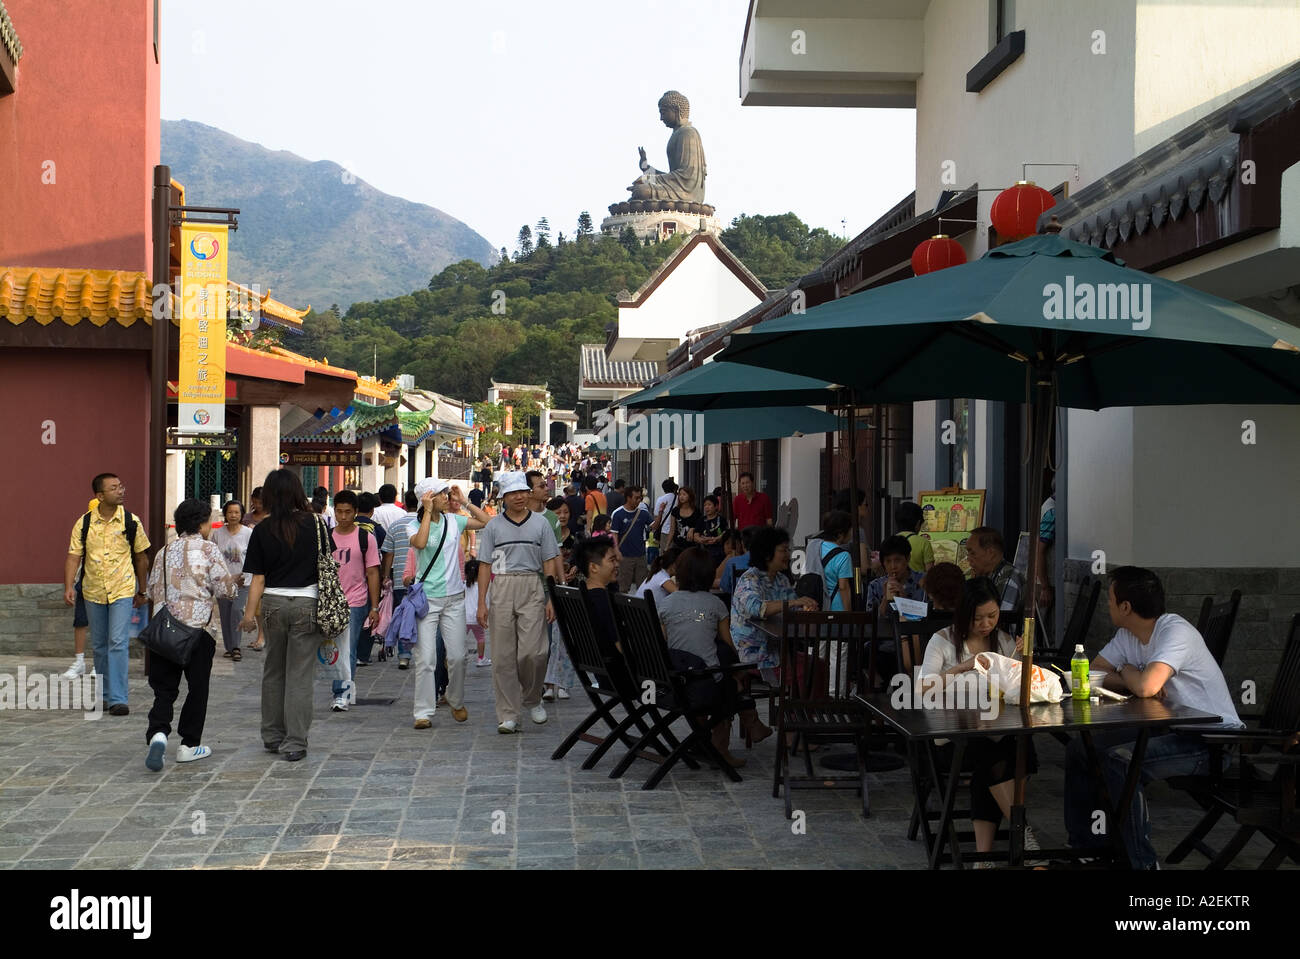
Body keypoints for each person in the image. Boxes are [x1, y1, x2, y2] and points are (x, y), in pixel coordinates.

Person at [1064, 566, 1243, 870]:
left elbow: (1147, 687)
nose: (1107, 606)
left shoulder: (1175, 631)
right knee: (1081, 748)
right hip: (1170, 728)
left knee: (1120, 762)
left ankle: (1142, 863)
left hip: (1210, 740)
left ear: (1126, 607)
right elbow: (1094, 672)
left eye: (1110, 599)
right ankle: (1088, 848)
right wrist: (1130, 676)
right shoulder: (1127, 635)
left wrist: (1133, 676)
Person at [919, 579, 1041, 861]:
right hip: (947, 738)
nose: (986, 624)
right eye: (978, 618)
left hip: (992, 729)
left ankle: (983, 857)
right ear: (963, 615)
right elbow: (922, 687)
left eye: (992, 616)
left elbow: (1018, 685)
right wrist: (961, 667)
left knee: (1011, 749)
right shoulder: (944, 641)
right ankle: (1022, 833)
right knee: (991, 755)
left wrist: (1023, 659)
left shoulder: (1004, 642)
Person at [240, 468, 336, 761]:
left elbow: (257, 578)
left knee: (273, 672)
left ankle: (272, 735)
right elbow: (328, 564)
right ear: (297, 491)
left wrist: (248, 615)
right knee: (299, 676)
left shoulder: (262, 529)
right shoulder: (316, 524)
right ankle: (295, 741)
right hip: (307, 604)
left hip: (272, 605)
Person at [143, 498, 237, 771]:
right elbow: (225, 590)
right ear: (201, 523)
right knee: (198, 688)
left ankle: (158, 734)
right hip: (199, 631)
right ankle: (188, 744)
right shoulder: (209, 549)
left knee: (164, 689)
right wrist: (234, 584)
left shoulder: (163, 551)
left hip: (165, 630)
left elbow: (152, 590)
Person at [659, 546, 771, 765]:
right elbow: (729, 644)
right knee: (729, 681)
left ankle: (710, 738)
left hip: (674, 684)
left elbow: (664, 644)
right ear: (709, 575)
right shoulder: (715, 604)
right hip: (704, 687)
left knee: (720, 674)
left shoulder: (666, 604)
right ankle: (726, 744)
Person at [476, 472, 562, 734]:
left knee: (534, 652)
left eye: (523, 491)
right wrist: (482, 602)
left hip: (532, 585)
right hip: (501, 585)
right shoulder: (493, 526)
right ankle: (508, 713)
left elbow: (549, 560)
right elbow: (484, 564)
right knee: (502, 656)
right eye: (513, 493)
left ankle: (533, 697)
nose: (519, 496)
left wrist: (551, 597)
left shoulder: (541, 524)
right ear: (503, 497)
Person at [64, 473, 151, 716]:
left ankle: (118, 698)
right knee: (100, 645)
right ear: (100, 496)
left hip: (122, 589)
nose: (121, 490)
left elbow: (142, 557)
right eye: (114, 488)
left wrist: (142, 590)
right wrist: (69, 586)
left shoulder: (131, 522)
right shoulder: (84, 523)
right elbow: (74, 556)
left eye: (120, 486)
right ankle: (103, 696)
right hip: (92, 591)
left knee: (117, 642)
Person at [409, 478, 490, 729]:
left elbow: (487, 523)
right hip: (427, 601)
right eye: (442, 494)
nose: (447, 497)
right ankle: (423, 712)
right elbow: (421, 543)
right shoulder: (413, 525)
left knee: (457, 657)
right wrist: (426, 513)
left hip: (454, 598)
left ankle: (455, 700)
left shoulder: (454, 521)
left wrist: (465, 501)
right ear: (427, 498)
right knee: (426, 658)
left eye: (447, 493)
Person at [730, 527, 818, 676]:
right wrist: (794, 603)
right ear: (766, 554)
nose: (788, 555)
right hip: (756, 653)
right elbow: (757, 608)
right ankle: (793, 699)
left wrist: (806, 609)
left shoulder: (781, 579)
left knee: (818, 666)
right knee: (801, 672)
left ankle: (805, 699)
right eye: (783, 550)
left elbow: (795, 609)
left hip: (780, 649)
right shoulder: (750, 579)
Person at [325, 490, 381, 712]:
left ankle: (343, 694)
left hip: (356, 601)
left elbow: (373, 573)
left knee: (348, 649)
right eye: (339, 511)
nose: (343, 516)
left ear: (356, 512)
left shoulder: (365, 538)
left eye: (348, 512)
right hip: (330, 601)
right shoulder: (327, 537)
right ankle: (340, 689)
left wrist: (374, 606)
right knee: (333, 649)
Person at [63, 494, 102, 680]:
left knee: (100, 625)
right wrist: (70, 585)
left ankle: (98, 663)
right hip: (85, 581)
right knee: (80, 621)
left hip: (107, 583)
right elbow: (74, 556)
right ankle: (79, 663)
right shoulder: (84, 527)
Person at [380, 489, 420, 667]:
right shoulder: (423, 524)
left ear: (404, 501)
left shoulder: (396, 526)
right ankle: (421, 652)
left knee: (404, 616)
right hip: (422, 579)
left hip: (400, 578)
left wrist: (386, 576)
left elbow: (388, 554)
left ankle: (404, 654)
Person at [212, 500, 253, 661]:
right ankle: (229, 647)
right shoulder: (218, 533)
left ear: (242, 514)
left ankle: (236, 646)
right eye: (230, 512)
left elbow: (253, 556)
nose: (233, 515)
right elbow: (213, 557)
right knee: (225, 613)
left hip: (243, 580)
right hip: (223, 581)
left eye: (237, 512)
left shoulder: (248, 533)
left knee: (237, 610)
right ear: (225, 514)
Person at [966, 526, 1026, 633]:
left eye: (972, 553)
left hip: (1010, 645)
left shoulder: (1009, 577)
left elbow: (997, 622)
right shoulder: (987, 576)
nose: (968, 559)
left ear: (991, 553)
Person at [610, 485, 652, 593]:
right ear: (628, 498)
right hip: (625, 556)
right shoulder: (618, 514)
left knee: (643, 588)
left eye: (640, 498)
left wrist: (661, 512)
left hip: (641, 555)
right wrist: (616, 551)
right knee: (623, 587)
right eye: (636, 498)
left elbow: (653, 526)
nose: (639, 501)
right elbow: (614, 535)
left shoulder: (643, 513)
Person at [818, 510, 855, 612]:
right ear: (840, 534)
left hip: (819, 605)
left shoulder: (817, 548)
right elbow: (843, 587)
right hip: (837, 607)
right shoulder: (844, 556)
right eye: (850, 529)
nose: (851, 533)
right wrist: (849, 614)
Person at [895, 501, 935, 574]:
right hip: (918, 584)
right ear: (918, 523)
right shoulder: (924, 543)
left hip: (894, 584)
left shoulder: (890, 542)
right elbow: (930, 573)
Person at [719, 526, 760, 596]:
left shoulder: (731, 562)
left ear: (742, 544)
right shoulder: (769, 561)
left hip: (739, 604)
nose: (729, 546)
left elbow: (724, 587)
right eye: (727, 543)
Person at [465, 558, 489, 666]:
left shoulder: (463, 585)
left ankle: (460, 656)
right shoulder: (482, 588)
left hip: (464, 619)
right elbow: (486, 603)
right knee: (480, 638)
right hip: (477, 619)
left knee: (460, 639)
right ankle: (481, 658)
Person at [698, 494, 727, 566]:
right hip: (704, 552)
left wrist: (717, 539)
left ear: (716, 506)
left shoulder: (721, 519)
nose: (707, 507)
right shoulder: (701, 520)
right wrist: (701, 540)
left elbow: (725, 533)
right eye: (705, 505)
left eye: (709, 504)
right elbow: (696, 534)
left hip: (719, 553)